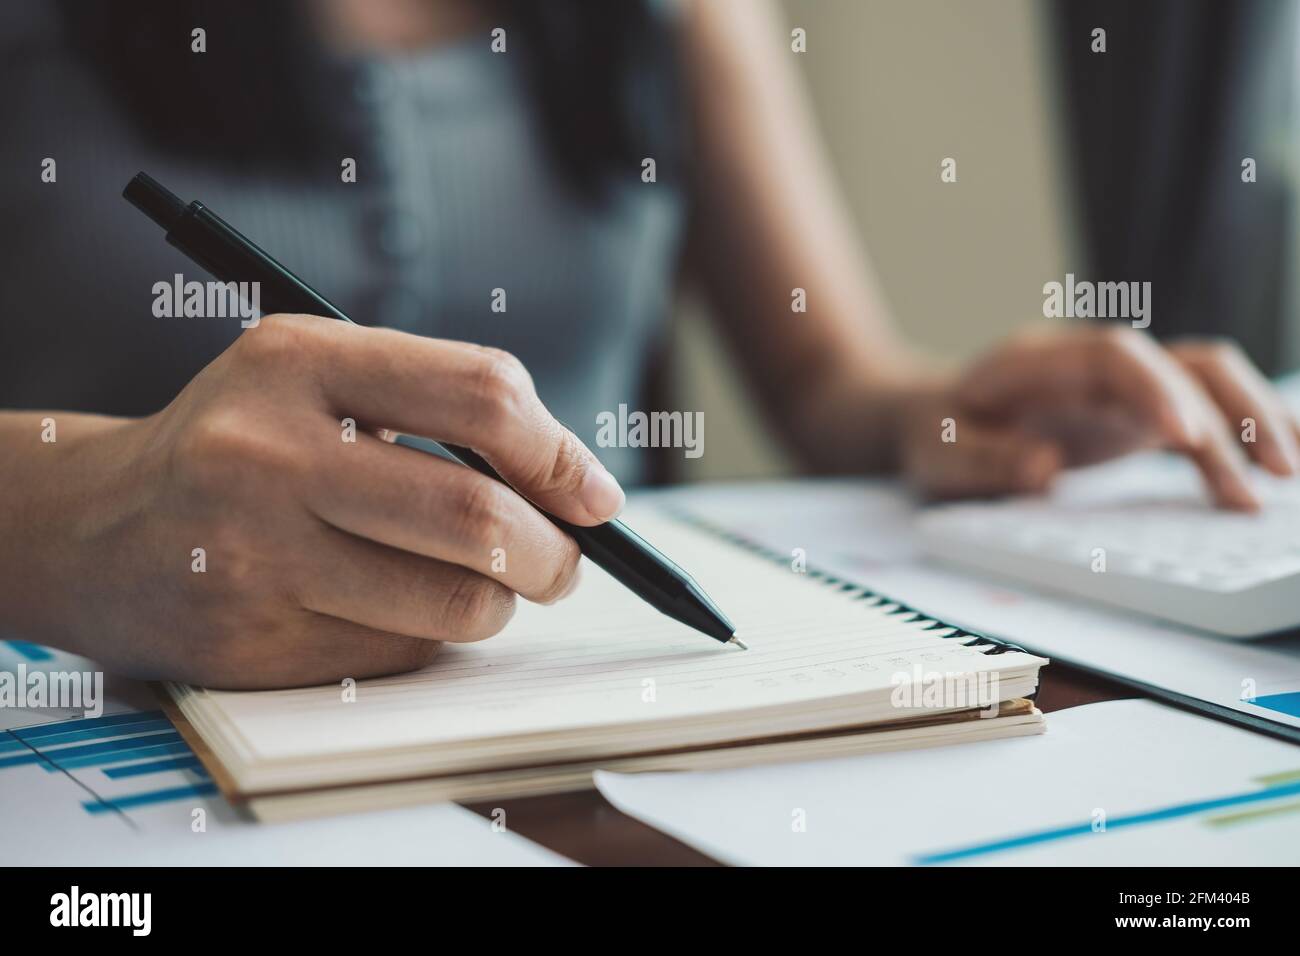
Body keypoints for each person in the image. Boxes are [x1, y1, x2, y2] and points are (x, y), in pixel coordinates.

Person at [1, 0, 1295, 688]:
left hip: (583, 720)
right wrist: (78, 514)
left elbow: (827, 380)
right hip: (86, 714)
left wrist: (957, 413)